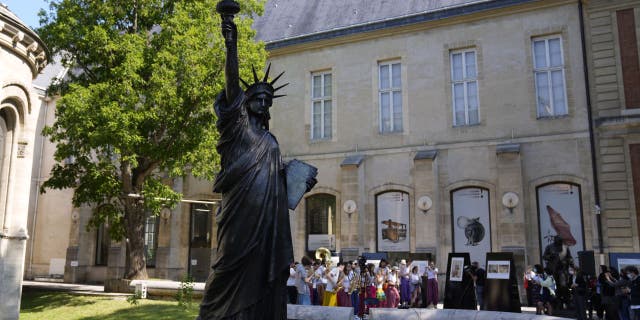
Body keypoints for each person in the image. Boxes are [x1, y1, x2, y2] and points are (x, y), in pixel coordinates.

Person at [199, 13, 314, 320]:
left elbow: (277, 179)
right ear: (246, 101)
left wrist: (296, 182)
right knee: (228, 267)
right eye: (258, 99)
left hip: (268, 222)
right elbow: (231, 81)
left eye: (268, 101)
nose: (263, 104)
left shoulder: (270, 139)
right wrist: (231, 44)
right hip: (240, 216)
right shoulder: (237, 128)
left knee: (267, 276)